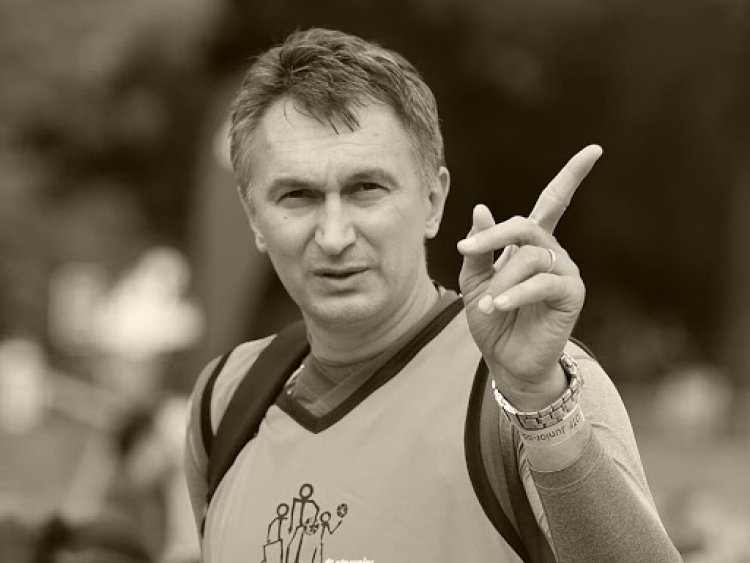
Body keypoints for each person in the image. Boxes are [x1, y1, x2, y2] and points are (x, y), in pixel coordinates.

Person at [184, 28, 680, 562]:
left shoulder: (532, 382)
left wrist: (541, 405)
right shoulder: (225, 400)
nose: (333, 236)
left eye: (366, 189)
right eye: (298, 195)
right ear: (254, 218)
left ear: (433, 202)